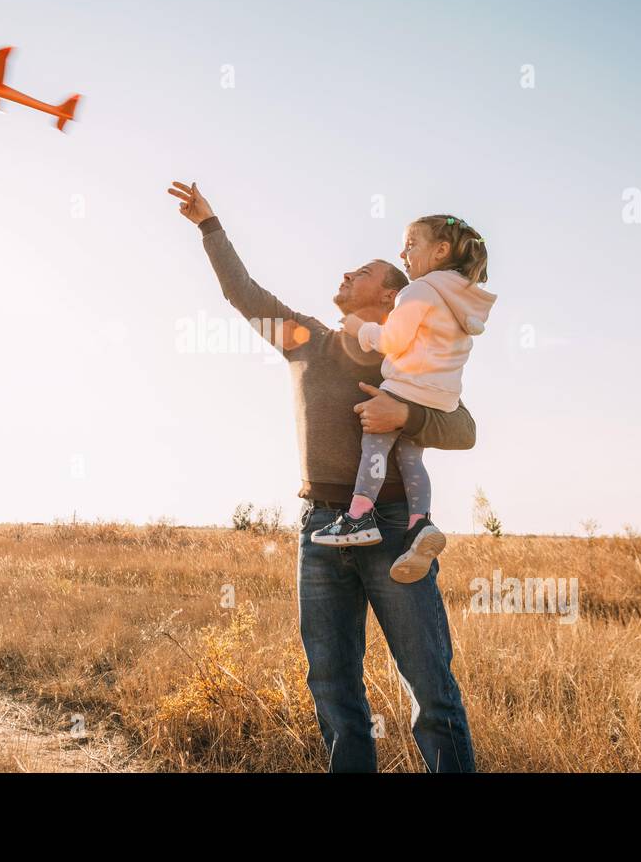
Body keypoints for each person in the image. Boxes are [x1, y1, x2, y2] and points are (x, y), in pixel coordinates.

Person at [167, 180, 478, 772]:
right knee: (334, 690)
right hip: (319, 530)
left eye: (361, 271)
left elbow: (464, 429)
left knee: (430, 689)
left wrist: (405, 413)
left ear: (392, 297)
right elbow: (243, 293)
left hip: (391, 531)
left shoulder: (411, 358)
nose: (345, 274)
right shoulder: (307, 340)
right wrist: (210, 225)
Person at [312, 215, 496, 587]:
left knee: (375, 444)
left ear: (440, 250)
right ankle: (419, 524)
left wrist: (358, 330)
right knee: (411, 456)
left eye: (411, 245)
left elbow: (393, 341)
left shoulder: (421, 290)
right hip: (441, 397)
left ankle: (359, 515)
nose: (403, 253)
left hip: (406, 387)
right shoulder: (459, 298)